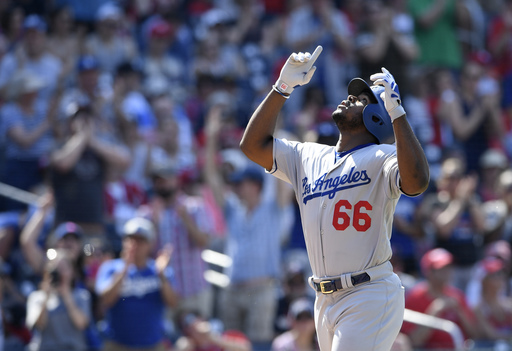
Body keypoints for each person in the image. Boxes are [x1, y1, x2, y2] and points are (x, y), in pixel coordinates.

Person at [239, 46, 429, 351]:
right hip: (323, 297)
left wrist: (399, 115)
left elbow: (417, 181)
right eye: (353, 95)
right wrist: (282, 87)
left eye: (362, 100)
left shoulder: (382, 156)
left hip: (368, 291)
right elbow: (252, 145)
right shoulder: (307, 155)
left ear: (377, 117)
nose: (350, 98)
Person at [95, 217, 179, 351]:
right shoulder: (110, 268)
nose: (135, 244)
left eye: (141, 240)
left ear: (150, 244)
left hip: (153, 345)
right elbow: (106, 300)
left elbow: (173, 303)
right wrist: (124, 268)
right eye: (131, 239)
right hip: (117, 344)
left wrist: (161, 275)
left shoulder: (159, 270)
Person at [25, 249, 91, 351]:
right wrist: (46, 297)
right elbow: (39, 325)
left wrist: (66, 295)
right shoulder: (37, 297)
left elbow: (81, 324)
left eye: (63, 268)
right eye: (56, 268)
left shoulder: (81, 296)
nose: (60, 272)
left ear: (72, 272)